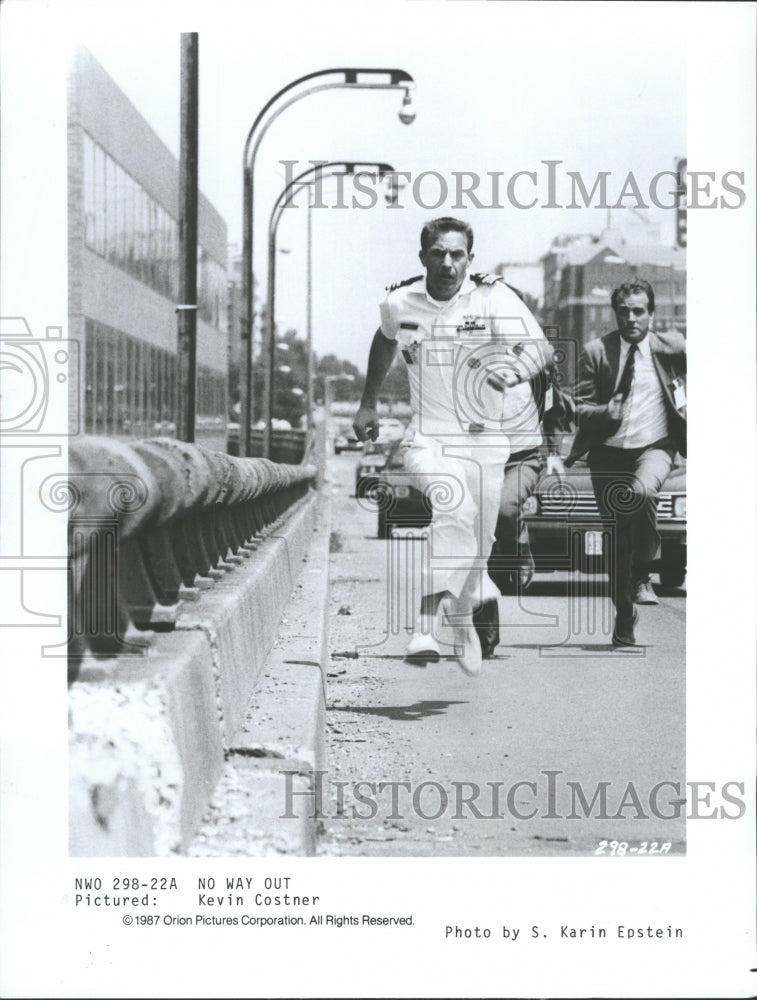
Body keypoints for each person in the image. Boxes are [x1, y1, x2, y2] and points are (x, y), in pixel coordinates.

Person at [353, 217, 552, 675]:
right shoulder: (400, 301)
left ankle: (462, 619)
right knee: (453, 509)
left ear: (470, 259)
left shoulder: (492, 297)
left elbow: (538, 348)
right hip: (428, 436)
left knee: (478, 544)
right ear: (423, 257)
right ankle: (424, 628)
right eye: (438, 254)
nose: (447, 263)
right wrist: (368, 404)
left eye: (457, 254)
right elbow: (384, 341)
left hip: (485, 442)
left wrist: (517, 371)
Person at [565, 278, 687, 645]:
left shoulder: (674, 347)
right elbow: (577, 408)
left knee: (643, 493)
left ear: (651, 314)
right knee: (615, 539)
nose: (631, 318)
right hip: (608, 454)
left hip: (655, 447)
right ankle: (623, 613)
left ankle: (642, 572)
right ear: (615, 313)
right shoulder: (595, 351)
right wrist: (605, 410)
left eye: (638, 311)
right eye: (624, 311)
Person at [473, 359, 575, 658]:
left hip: (523, 459)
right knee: (481, 540)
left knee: (505, 510)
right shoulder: (471, 361)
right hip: (481, 459)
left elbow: (555, 411)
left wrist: (554, 452)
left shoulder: (534, 367)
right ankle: (485, 631)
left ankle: (519, 548)